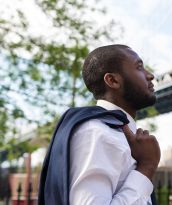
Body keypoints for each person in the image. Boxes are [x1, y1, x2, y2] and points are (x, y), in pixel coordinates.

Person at [38, 45, 161, 205]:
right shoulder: (97, 132)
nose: (150, 75)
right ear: (113, 80)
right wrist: (147, 166)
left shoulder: (114, 132)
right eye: (139, 67)